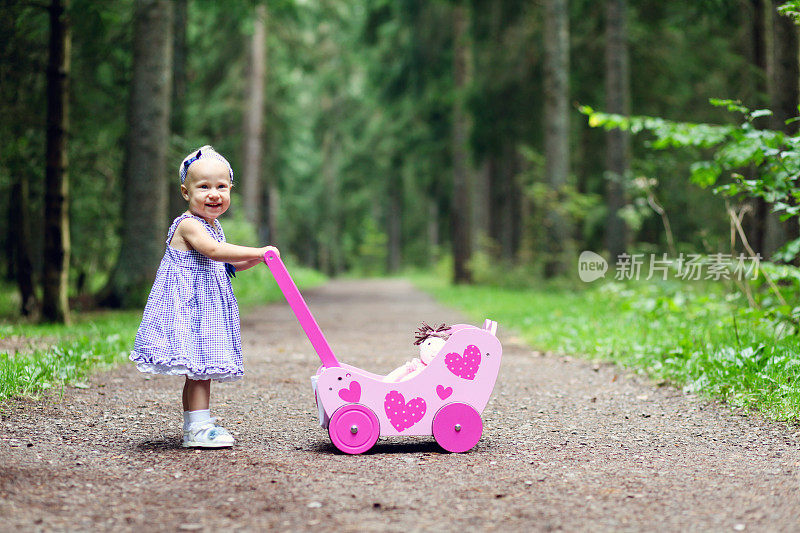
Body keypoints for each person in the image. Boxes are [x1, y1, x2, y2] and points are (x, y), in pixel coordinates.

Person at [129, 145, 278, 448]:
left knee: (201, 370)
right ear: (186, 192)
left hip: (204, 308)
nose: (214, 194)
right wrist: (258, 250)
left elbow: (230, 262)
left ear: (230, 190)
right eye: (204, 187)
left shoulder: (213, 226)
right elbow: (213, 252)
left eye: (221, 187)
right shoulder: (188, 225)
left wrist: (261, 259)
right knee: (198, 370)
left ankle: (197, 422)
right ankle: (197, 426)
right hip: (188, 308)